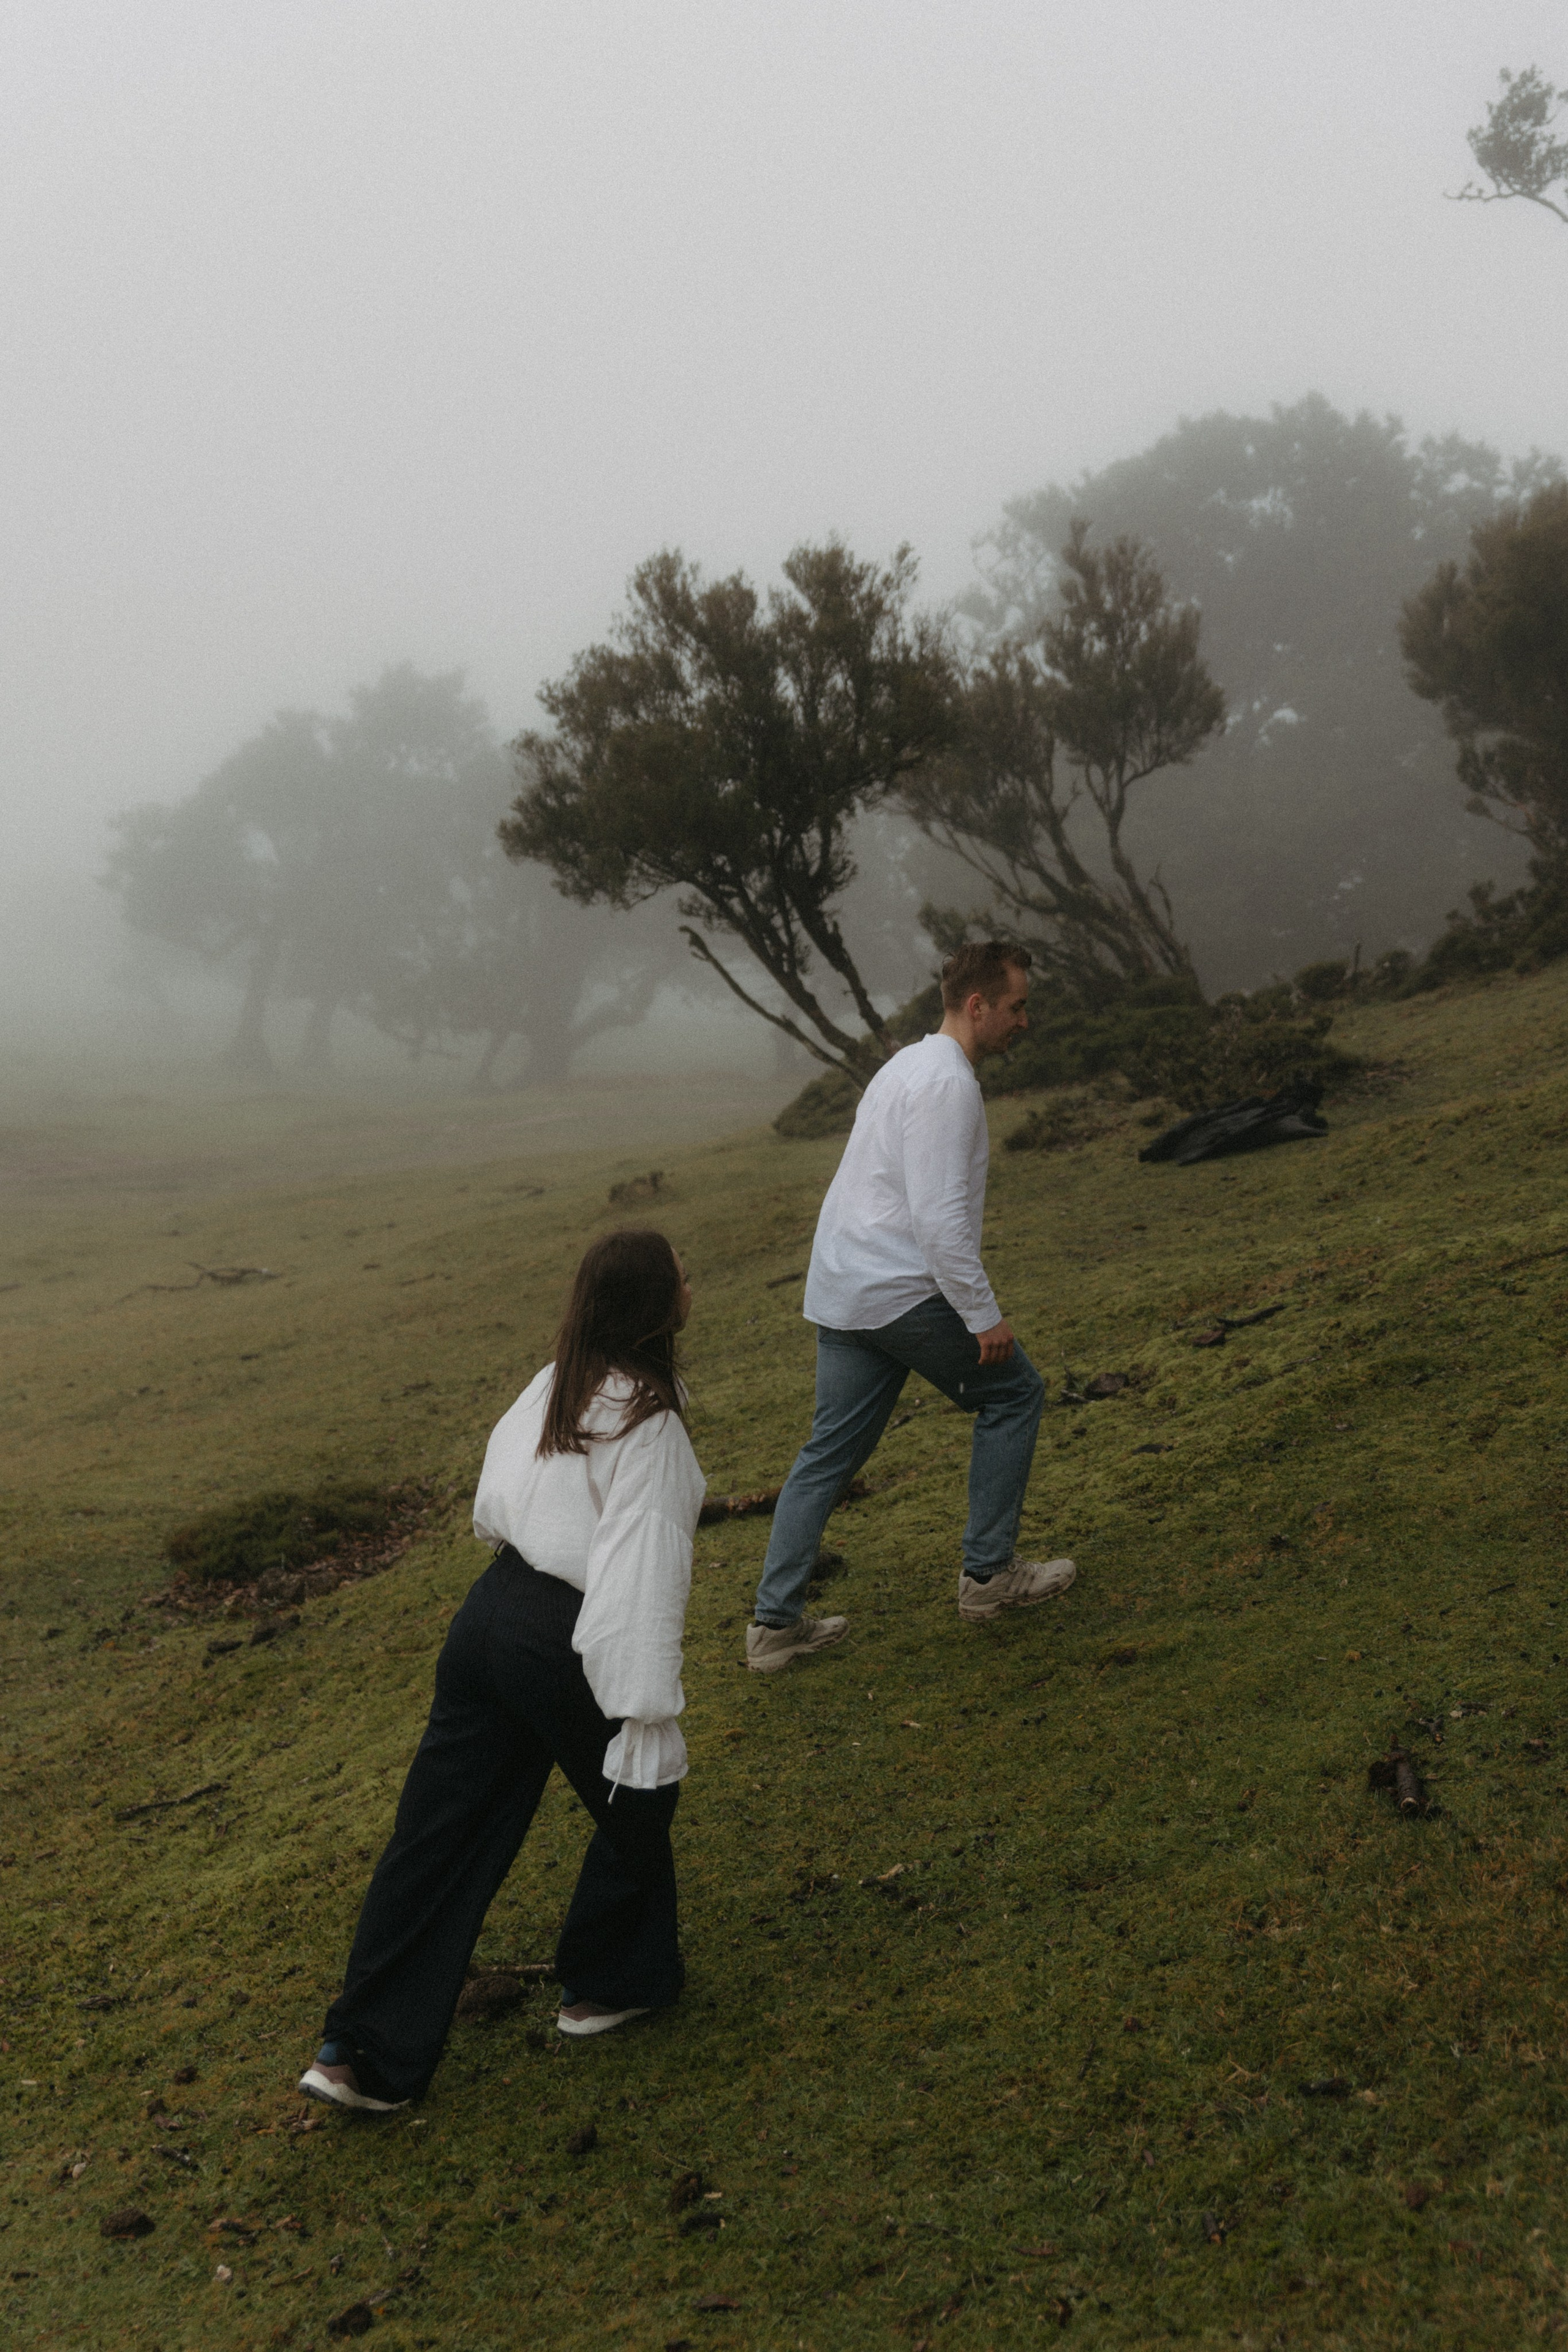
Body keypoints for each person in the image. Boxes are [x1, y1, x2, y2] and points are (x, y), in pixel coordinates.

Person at [298, 1228, 704, 2113]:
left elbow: (498, 1495)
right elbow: (640, 1566)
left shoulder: (560, 1377)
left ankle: (357, 2052)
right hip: (557, 1630)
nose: (690, 1279)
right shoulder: (649, 1421)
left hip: (486, 1618)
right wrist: (644, 1709)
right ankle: (605, 1983)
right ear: (652, 1302)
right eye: (680, 1271)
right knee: (641, 1796)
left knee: (437, 1835)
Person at [747, 941, 1073, 1670]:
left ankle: (773, 1628)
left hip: (844, 1289)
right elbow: (937, 1219)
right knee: (1016, 1393)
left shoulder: (904, 1065)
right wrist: (981, 1315)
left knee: (828, 1453)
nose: (1026, 1020)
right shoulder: (946, 1083)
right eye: (1017, 1006)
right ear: (977, 1005)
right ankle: (989, 1578)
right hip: (897, 1290)